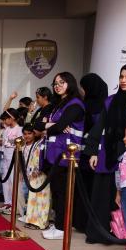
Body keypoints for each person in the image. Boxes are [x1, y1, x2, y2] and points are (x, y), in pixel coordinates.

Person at [86, 63, 126, 244]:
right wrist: (93, 151)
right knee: (102, 194)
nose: (123, 80)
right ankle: (100, 234)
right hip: (108, 152)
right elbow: (98, 127)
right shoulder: (110, 100)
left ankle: (125, 239)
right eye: (121, 77)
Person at [34, 72, 85, 240]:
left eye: (61, 82)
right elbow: (37, 124)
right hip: (53, 155)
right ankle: (57, 225)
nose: (57, 85)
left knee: (62, 193)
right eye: (55, 83)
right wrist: (53, 125)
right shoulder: (57, 104)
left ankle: (62, 228)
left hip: (66, 156)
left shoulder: (75, 104)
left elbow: (59, 126)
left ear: (70, 83)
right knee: (56, 192)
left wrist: (52, 125)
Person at [74, 73, 109, 234]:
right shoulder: (105, 104)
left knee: (85, 189)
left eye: (84, 87)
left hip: (88, 153)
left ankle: (82, 221)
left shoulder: (89, 106)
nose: (83, 90)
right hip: (95, 153)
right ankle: (87, 222)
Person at [20, 124, 50, 230]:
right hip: (32, 173)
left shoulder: (45, 141)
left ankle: (41, 222)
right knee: (32, 197)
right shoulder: (38, 142)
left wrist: (37, 169)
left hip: (42, 173)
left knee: (42, 199)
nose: (33, 132)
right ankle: (31, 220)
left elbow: (44, 158)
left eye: (33, 131)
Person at [0, 109, 23, 215]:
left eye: (5, 119)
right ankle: (7, 202)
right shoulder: (6, 129)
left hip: (14, 157)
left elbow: (21, 143)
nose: (4, 122)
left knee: (13, 181)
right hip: (5, 157)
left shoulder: (19, 129)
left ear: (12, 118)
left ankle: (14, 204)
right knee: (5, 180)